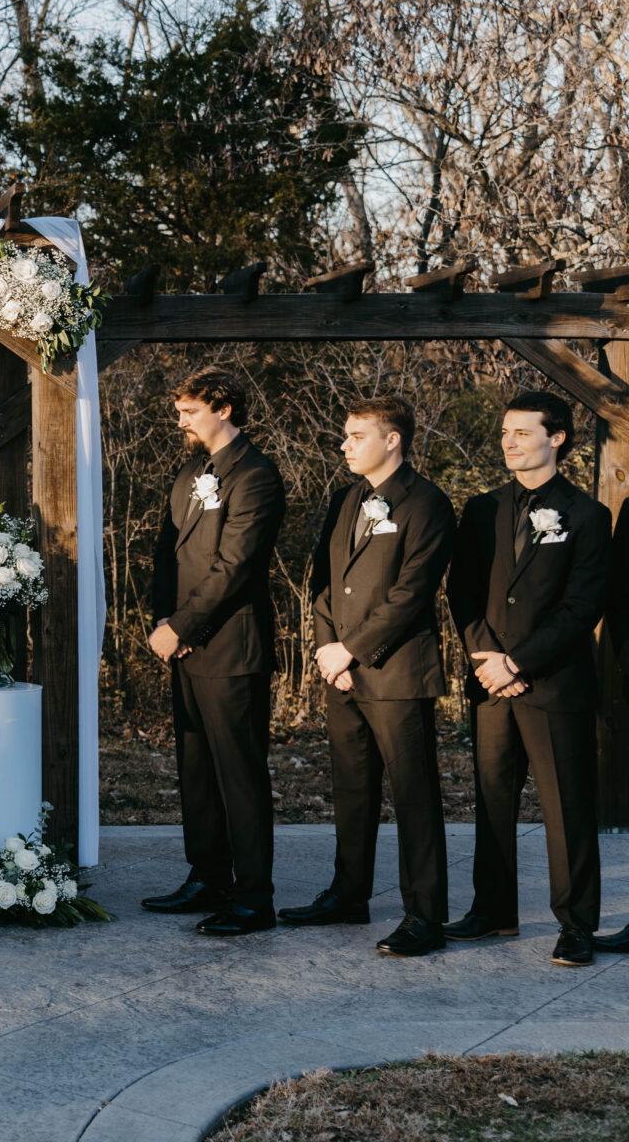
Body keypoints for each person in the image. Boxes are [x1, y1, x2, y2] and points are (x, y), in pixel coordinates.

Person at [445, 391, 608, 967]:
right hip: (489, 682)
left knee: (567, 807)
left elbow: (582, 604)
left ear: (556, 437)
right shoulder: (482, 508)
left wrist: (519, 663)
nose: (510, 441)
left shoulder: (588, 515)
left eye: (522, 432)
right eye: (506, 432)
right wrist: (486, 657)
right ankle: (492, 911)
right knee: (491, 800)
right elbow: (461, 589)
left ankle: (577, 926)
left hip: (554, 684)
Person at [287, 395, 453, 956]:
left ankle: (425, 917)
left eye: (356, 435)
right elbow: (324, 584)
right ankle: (348, 895)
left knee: (413, 795)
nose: (344, 444)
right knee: (351, 790)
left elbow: (412, 592)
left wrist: (352, 650)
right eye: (345, 434)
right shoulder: (345, 499)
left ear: (393, 440)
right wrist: (326, 649)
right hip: (343, 673)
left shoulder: (427, 502)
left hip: (397, 671)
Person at [139, 365, 287, 936]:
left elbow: (235, 568)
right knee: (196, 768)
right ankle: (207, 877)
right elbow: (164, 552)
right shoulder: (188, 473)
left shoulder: (256, 476)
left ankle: (253, 898)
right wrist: (161, 621)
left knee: (239, 774)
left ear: (223, 409)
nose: (179, 421)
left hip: (230, 646)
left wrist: (182, 626)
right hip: (182, 644)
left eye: (189, 412)